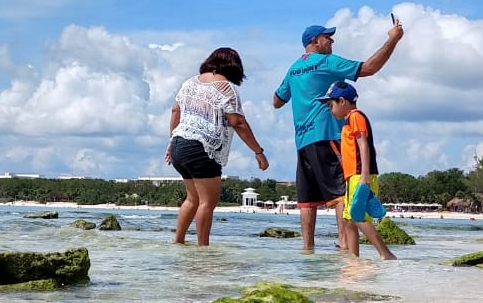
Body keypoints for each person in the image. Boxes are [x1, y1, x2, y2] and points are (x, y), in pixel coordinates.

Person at [273, 16, 404, 251]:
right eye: (327, 36)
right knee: (339, 193)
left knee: (307, 200)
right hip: (328, 136)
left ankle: (307, 250)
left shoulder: (293, 69)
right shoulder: (327, 62)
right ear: (315, 41)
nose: (332, 39)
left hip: (302, 141)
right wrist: (393, 40)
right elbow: (369, 68)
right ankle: (344, 246)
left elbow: (276, 101)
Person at [166, 47, 269, 245]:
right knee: (207, 202)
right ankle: (203, 249)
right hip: (202, 147)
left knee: (192, 199)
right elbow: (238, 123)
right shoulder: (226, 88)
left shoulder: (188, 83)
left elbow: (175, 111)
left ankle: (178, 242)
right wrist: (258, 151)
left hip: (179, 143)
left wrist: (171, 141)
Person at [316, 80, 396, 260]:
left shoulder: (355, 116)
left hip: (360, 175)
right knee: (348, 220)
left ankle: (386, 254)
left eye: (331, 105)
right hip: (352, 176)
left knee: (358, 217)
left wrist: (364, 175)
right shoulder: (348, 121)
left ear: (342, 101)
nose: (330, 110)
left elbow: (363, 143)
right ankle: (353, 260)